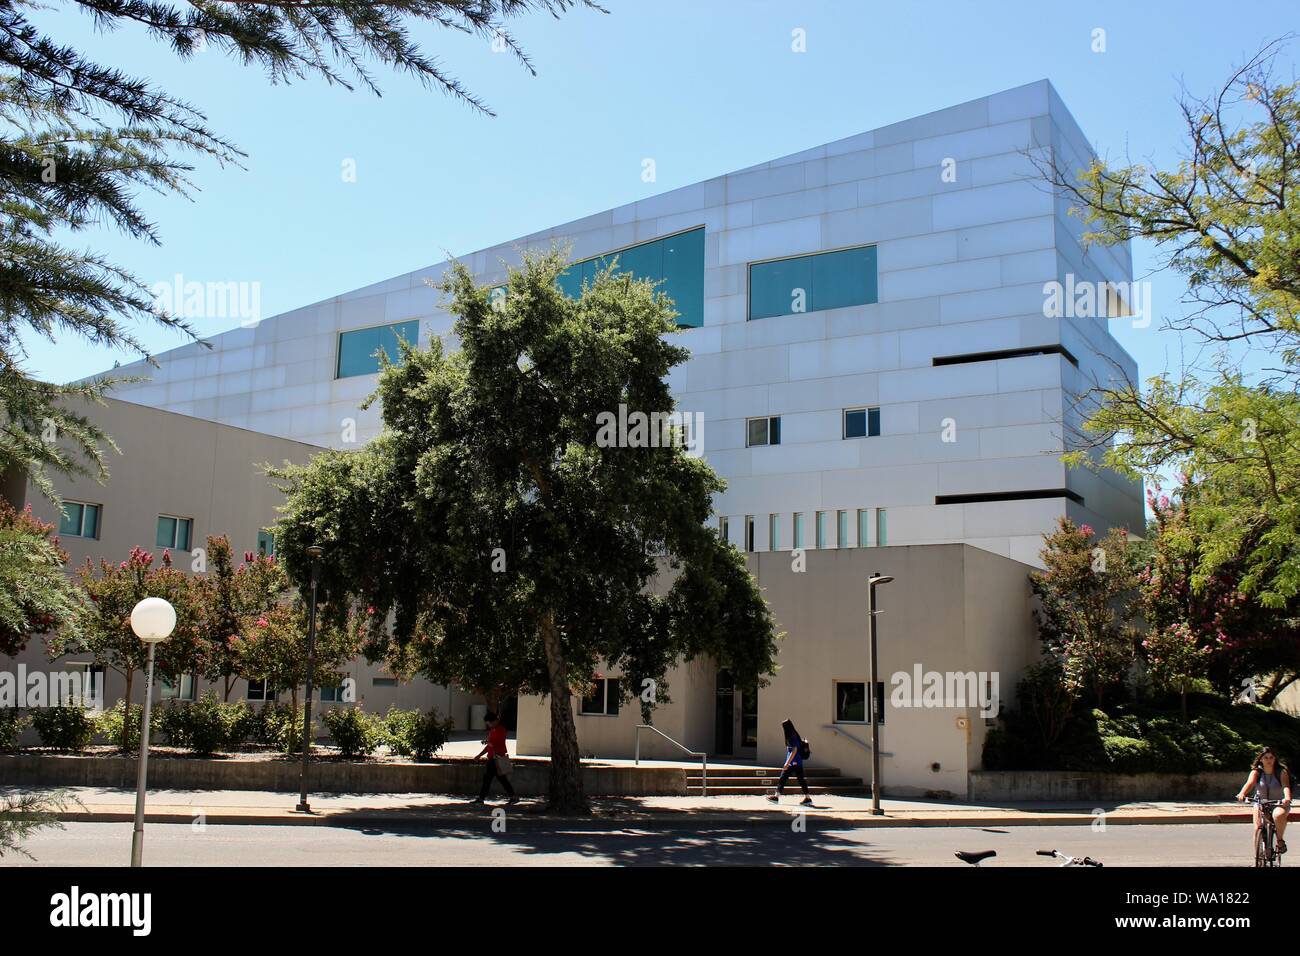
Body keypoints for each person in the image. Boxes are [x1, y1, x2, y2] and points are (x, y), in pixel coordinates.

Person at [1236, 746, 1292, 854]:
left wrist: (1287, 798)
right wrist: (1242, 793)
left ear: (1274, 759)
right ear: (1261, 759)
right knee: (1257, 828)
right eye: (1266, 757)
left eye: (1271, 757)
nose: (1269, 760)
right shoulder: (1257, 772)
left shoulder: (1281, 771)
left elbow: (1286, 786)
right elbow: (1249, 784)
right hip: (1260, 802)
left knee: (1278, 815)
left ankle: (1280, 840)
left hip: (1278, 803)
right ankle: (1258, 857)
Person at [472, 711, 518, 805]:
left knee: (488, 779)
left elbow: (496, 744)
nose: (488, 725)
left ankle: (481, 798)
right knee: (500, 778)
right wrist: (479, 755)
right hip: (492, 758)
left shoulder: (501, 730)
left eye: (489, 723)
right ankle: (513, 796)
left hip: (496, 758)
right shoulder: (493, 730)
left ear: (494, 721)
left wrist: (488, 743)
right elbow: (489, 746)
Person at [767, 718, 813, 806]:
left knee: (785, 778)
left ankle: (777, 797)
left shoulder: (792, 736)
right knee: (792, 779)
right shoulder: (793, 735)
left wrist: (787, 763)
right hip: (796, 762)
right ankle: (807, 798)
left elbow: (794, 750)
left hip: (794, 762)